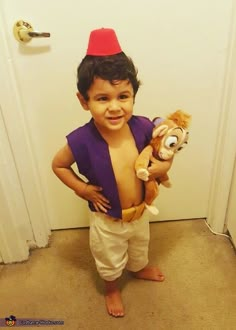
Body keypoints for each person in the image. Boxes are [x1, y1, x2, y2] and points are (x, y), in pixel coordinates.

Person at [52, 28, 170, 317]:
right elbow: (58, 165)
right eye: (103, 99)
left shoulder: (143, 126)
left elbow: (164, 151)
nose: (115, 107)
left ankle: (138, 267)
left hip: (140, 212)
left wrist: (164, 166)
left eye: (123, 96)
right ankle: (112, 287)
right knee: (109, 256)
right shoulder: (80, 139)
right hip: (107, 218)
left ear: (133, 95)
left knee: (140, 244)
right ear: (84, 101)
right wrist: (82, 189)